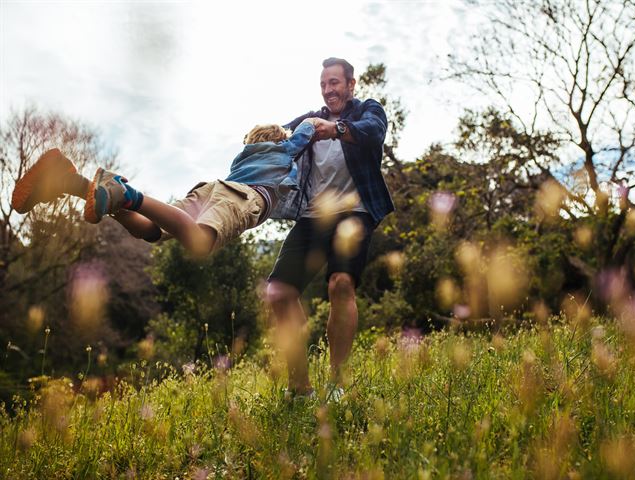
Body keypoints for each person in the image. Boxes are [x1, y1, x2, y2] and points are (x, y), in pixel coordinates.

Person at [266, 57, 394, 399]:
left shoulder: (368, 110)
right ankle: (300, 386)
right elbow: (278, 139)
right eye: (324, 84)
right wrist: (259, 145)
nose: (328, 89)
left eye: (335, 83)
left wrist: (336, 130)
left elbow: (373, 133)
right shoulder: (310, 120)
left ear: (351, 85)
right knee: (279, 292)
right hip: (312, 215)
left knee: (340, 284)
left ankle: (336, 384)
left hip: (355, 211)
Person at [11, 121, 316, 257]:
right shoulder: (282, 150)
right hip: (243, 197)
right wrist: (315, 122)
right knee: (200, 242)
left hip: (214, 189)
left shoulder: (244, 157)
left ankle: (70, 182)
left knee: (150, 230)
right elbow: (306, 131)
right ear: (276, 140)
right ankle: (125, 193)